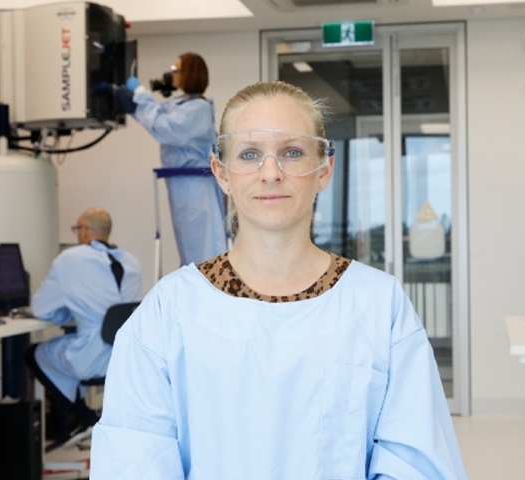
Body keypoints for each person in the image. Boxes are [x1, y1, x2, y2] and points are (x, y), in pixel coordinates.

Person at [91, 81, 467, 479]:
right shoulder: (169, 311)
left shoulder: (378, 305)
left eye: (292, 152)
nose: (271, 173)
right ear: (221, 173)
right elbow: (133, 459)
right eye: (250, 154)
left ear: (325, 169)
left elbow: (415, 464)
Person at [25, 207, 142, 439]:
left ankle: (80, 416)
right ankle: (84, 419)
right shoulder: (130, 262)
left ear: (86, 231)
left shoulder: (71, 259)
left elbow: (40, 309)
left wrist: (66, 314)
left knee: (33, 355)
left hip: (92, 357)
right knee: (64, 351)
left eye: (77, 229)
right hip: (126, 358)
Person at [123, 52, 227, 266]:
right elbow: (158, 116)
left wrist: (140, 95)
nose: (172, 74)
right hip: (182, 186)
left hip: (195, 187)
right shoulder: (183, 104)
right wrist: (133, 102)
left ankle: (211, 291)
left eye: (177, 70)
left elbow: (166, 128)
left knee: (204, 248)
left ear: (189, 74)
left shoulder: (198, 108)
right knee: (189, 249)